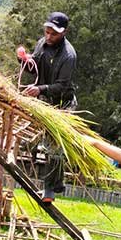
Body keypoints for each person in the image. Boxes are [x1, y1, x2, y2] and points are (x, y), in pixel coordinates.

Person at [16, 11, 77, 202]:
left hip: (61, 105)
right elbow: (34, 67)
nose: (49, 36)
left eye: (54, 34)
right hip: (44, 101)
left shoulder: (69, 56)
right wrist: (24, 59)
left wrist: (40, 89)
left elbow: (62, 86)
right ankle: (56, 182)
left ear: (63, 32)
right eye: (47, 31)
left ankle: (50, 189)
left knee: (55, 148)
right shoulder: (43, 43)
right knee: (34, 141)